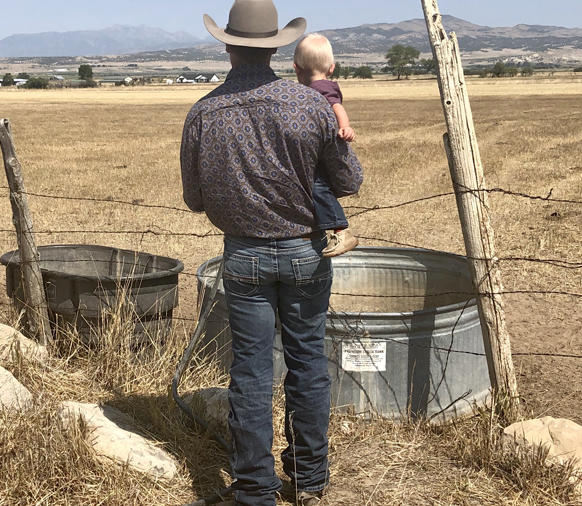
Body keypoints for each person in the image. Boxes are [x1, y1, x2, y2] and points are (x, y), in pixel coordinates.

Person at [180, 1, 363, 505]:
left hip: (244, 256)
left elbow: (194, 198)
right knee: (306, 363)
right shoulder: (309, 105)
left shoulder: (204, 113)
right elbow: (349, 179)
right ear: (277, 47)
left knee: (251, 371)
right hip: (307, 252)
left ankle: (255, 488)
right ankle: (308, 480)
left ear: (227, 45)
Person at [293, 33, 359, 257]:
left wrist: (345, 125)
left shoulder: (321, 88)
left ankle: (341, 229)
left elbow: (337, 106)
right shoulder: (318, 86)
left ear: (296, 68)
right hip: (318, 149)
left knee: (318, 187)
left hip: (321, 150)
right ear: (332, 67)